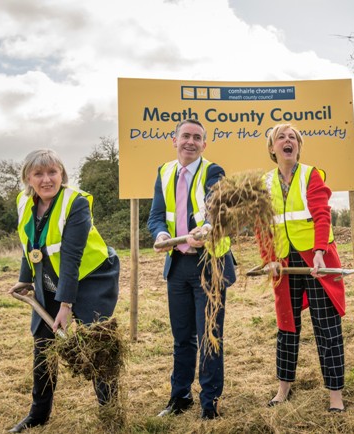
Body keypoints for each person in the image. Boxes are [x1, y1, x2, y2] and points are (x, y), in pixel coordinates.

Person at [8, 149, 120, 433]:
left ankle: (111, 414)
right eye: (39, 174)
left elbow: (71, 255)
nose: (47, 180)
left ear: (62, 174)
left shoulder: (76, 203)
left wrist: (66, 306)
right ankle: (39, 413)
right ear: (28, 178)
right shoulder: (24, 202)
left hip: (92, 277)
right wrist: (26, 279)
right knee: (43, 345)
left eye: (52, 172)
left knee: (98, 345)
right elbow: (29, 244)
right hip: (50, 279)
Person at [147, 118, 236, 420]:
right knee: (182, 337)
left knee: (209, 336)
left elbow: (217, 208)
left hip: (208, 266)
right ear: (174, 140)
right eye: (185, 136)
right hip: (177, 267)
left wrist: (208, 228)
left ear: (204, 144)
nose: (190, 142)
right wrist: (160, 234)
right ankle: (179, 397)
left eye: (197, 138)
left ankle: (209, 402)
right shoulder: (164, 172)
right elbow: (156, 215)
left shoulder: (213, 171)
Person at [259, 123, 346, 412]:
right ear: (272, 148)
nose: (287, 140)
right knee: (287, 325)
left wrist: (320, 252)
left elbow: (322, 215)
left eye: (292, 137)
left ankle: (335, 395)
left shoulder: (312, 175)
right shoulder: (264, 183)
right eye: (280, 137)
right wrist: (268, 257)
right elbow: (262, 226)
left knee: (326, 325)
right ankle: (283, 388)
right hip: (283, 263)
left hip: (316, 261)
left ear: (298, 146)